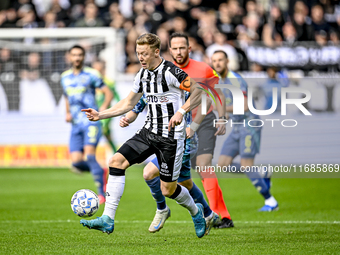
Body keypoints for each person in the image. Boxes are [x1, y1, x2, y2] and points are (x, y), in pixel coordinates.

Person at [80, 33, 207, 238]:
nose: (140, 57)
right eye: (138, 53)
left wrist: (181, 112)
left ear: (156, 52)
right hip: (148, 133)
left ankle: (196, 211)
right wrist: (100, 114)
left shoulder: (171, 72)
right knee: (116, 161)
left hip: (172, 138)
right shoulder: (142, 75)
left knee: (168, 189)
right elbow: (128, 103)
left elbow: (198, 91)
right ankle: (107, 219)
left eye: (144, 53)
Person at [120, 93, 219, 235]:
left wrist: (193, 126)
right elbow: (136, 109)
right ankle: (209, 215)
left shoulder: (178, 82)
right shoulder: (150, 86)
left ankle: (162, 209)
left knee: (149, 173)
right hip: (164, 143)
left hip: (184, 143)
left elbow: (207, 101)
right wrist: (126, 119)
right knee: (185, 183)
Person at [168, 32, 234, 228]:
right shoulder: (165, 70)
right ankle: (225, 216)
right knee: (197, 174)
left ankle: (211, 215)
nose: (179, 52)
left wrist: (221, 118)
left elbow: (217, 93)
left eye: (182, 48)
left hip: (204, 121)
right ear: (170, 50)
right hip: (178, 126)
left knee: (205, 165)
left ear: (189, 49)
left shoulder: (203, 69)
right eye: (175, 48)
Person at [211, 50, 279, 211]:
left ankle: (271, 201)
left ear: (227, 61)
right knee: (222, 164)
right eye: (214, 61)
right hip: (236, 128)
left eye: (220, 60)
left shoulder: (235, 79)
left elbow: (245, 105)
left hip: (249, 126)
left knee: (246, 165)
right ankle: (261, 171)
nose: (217, 63)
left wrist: (218, 108)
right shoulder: (220, 81)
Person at [61, 45, 113, 204]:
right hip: (76, 125)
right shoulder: (65, 77)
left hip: (90, 123)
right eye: (74, 55)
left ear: (83, 57)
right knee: (76, 162)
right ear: (69, 57)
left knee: (90, 156)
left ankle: (101, 193)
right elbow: (67, 97)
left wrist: (102, 110)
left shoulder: (92, 74)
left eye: (79, 55)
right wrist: (68, 112)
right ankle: (100, 170)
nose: (77, 58)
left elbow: (108, 93)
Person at [92, 60, 120, 153]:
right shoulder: (91, 82)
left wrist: (122, 111)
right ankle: (116, 153)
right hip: (94, 113)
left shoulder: (109, 82)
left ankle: (89, 155)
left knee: (99, 130)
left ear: (103, 70)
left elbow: (116, 96)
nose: (97, 72)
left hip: (106, 114)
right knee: (107, 136)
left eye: (99, 70)